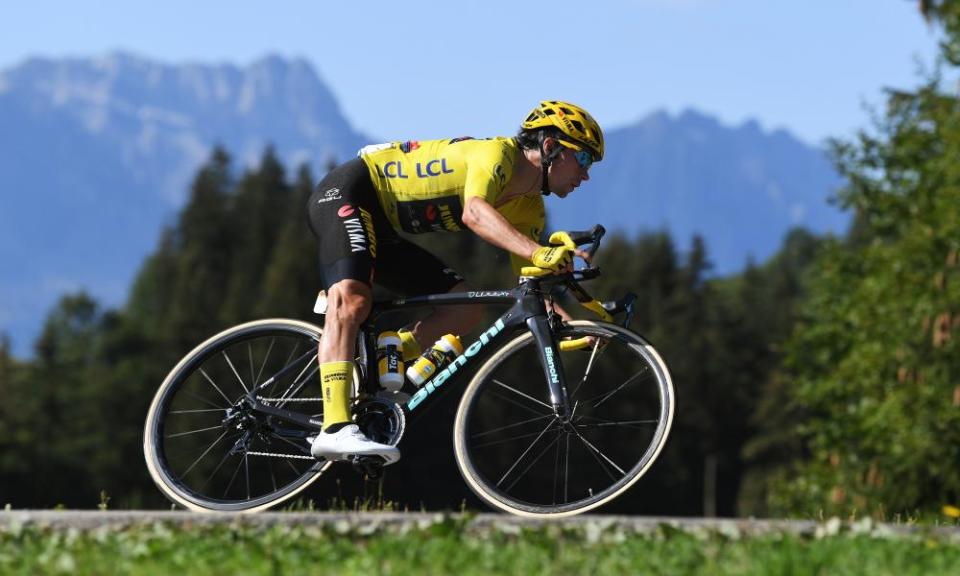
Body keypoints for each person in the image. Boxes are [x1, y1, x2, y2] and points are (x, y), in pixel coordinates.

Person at [306, 100, 604, 463]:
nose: (587, 176)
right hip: (351, 192)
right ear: (550, 147)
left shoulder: (529, 207)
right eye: (584, 159)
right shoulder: (497, 155)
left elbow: (529, 281)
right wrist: (540, 252)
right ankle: (334, 428)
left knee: (465, 310)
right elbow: (475, 212)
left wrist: (570, 325)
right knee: (351, 300)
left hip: (381, 227)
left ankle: (391, 355)